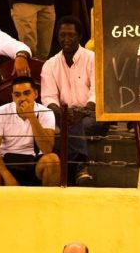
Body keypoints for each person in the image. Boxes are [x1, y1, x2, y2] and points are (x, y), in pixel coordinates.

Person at [39, 16, 106, 185]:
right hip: (62, 116)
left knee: (74, 125)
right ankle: (80, 167)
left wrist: (82, 112)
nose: (66, 39)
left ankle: (73, 169)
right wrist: (62, 113)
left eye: (71, 35)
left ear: (80, 36)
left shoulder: (93, 59)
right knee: (66, 124)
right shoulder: (50, 64)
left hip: (92, 114)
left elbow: (98, 92)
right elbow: (48, 97)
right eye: (62, 35)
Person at [0, 75, 60, 187]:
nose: (22, 98)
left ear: (35, 94)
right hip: (7, 163)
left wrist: (32, 117)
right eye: (17, 95)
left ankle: (48, 199)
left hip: (34, 161)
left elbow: (47, 149)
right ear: (13, 97)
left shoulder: (46, 113)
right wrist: (8, 177)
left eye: (27, 93)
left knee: (52, 160)